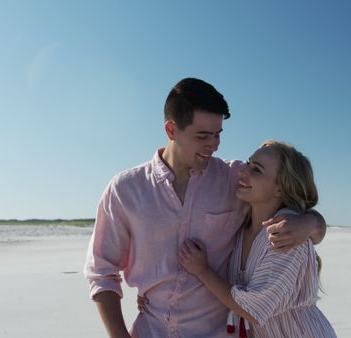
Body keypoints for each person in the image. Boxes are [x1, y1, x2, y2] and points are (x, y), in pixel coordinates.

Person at [84, 78, 327, 338]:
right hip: (150, 331)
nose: (214, 144)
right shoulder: (125, 189)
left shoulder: (235, 179)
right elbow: (102, 271)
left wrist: (312, 222)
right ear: (171, 130)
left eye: (218, 134)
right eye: (202, 136)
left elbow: (286, 197)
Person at [179, 140, 336, 337]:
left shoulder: (285, 236)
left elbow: (252, 309)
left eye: (257, 170)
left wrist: (201, 270)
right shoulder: (243, 225)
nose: (243, 172)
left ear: (280, 188)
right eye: (248, 163)